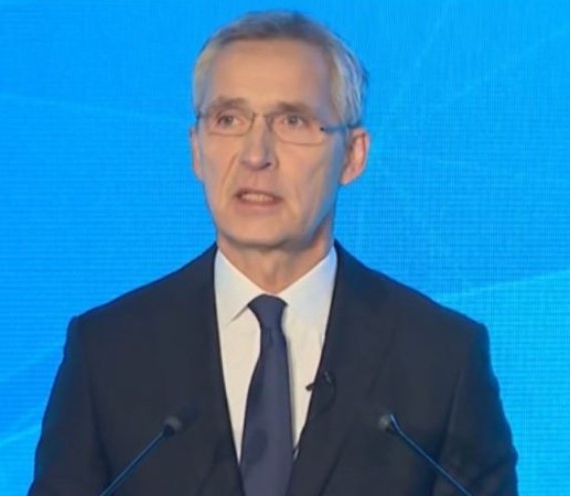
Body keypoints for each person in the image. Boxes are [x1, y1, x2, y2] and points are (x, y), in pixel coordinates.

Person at [29, 10, 517, 496]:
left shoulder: (441, 357)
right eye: (228, 119)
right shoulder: (109, 351)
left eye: (293, 121)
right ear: (196, 149)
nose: (256, 154)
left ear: (352, 155)